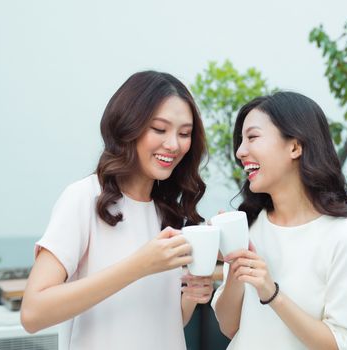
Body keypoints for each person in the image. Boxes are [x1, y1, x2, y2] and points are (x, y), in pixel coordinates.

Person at [21, 71, 213, 350]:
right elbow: (33, 314)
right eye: (159, 129)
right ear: (127, 126)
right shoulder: (84, 198)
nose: (173, 144)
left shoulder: (169, 212)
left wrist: (190, 297)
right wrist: (139, 266)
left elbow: (167, 322)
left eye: (184, 134)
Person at [212, 91, 347, 350]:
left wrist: (272, 293)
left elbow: (344, 344)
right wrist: (236, 264)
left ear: (295, 147)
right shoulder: (249, 225)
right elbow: (229, 327)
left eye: (252, 137)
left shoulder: (344, 237)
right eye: (241, 141)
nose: (241, 151)